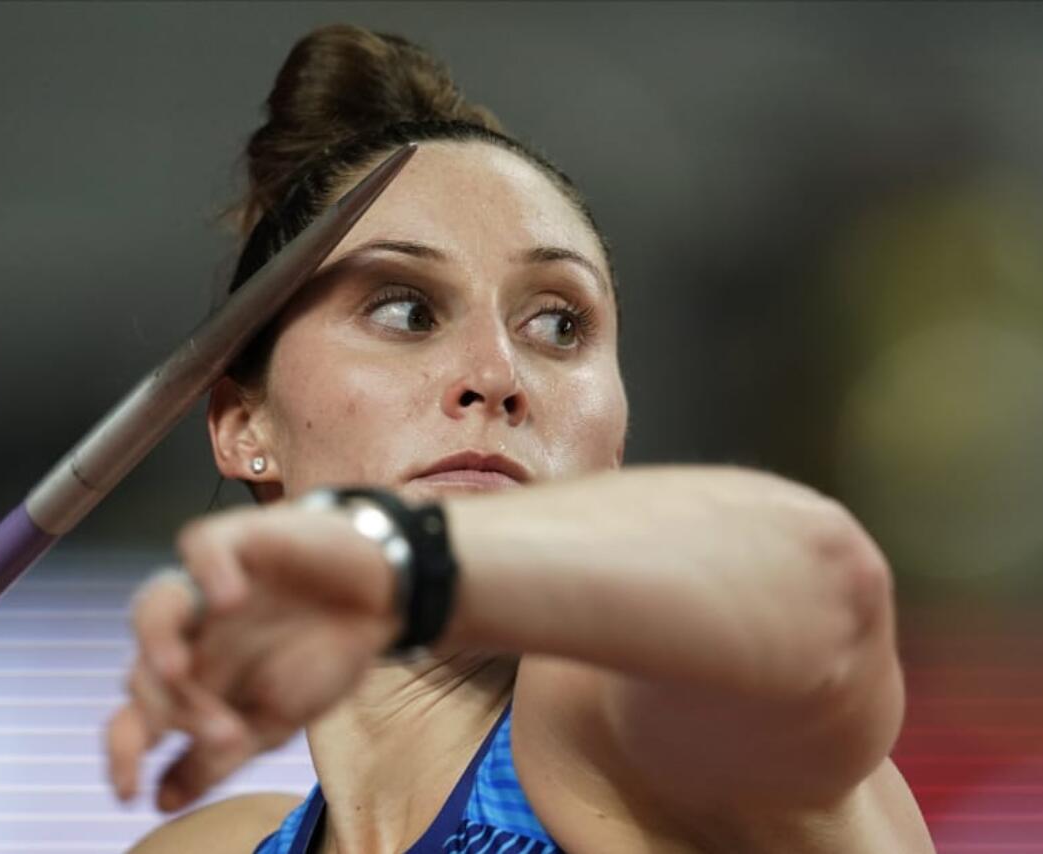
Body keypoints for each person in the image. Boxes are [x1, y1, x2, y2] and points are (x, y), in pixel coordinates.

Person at [105, 24, 935, 854]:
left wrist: (403, 558)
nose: (496, 372)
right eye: (405, 310)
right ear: (245, 426)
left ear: (614, 446)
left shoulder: (610, 732)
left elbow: (821, 594)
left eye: (557, 324)